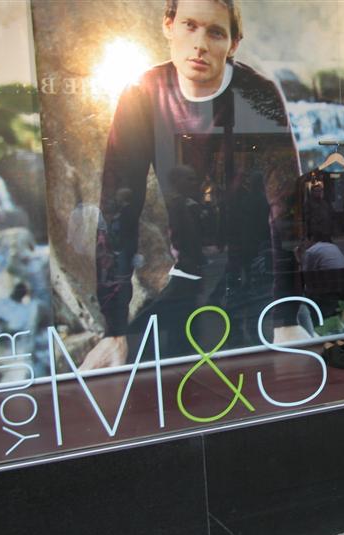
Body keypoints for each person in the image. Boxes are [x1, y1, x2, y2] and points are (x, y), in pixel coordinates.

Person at [81, 0, 300, 369]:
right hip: (192, 274)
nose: (199, 43)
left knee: (276, 382)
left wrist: (287, 316)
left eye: (215, 32)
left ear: (232, 44)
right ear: (169, 25)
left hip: (261, 276)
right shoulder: (142, 95)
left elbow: (288, 206)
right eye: (189, 26)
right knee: (141, 380)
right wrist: (114, 329)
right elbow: (119, 210)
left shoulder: (256, 93)